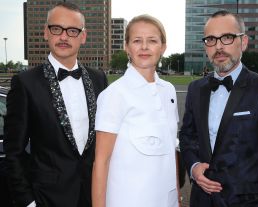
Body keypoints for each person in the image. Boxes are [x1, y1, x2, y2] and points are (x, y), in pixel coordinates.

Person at [179, 10, 258, 207]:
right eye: (211, 39)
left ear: (243, 42)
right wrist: (193, 166)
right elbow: (187, 136)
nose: (218, 46)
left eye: (226, 37)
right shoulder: (195, 89)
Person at [4, 2, 107, 207]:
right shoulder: (25, 83)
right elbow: (13, 151)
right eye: (56, 28)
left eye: (72, 30)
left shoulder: (99, 79)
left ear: (83, 37)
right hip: (46, 198)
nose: (64, 36)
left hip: (92, 196)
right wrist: (28, 201)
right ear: (46, 33)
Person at [92, 14, 180, 207]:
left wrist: (177, 200)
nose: (144, 47)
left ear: (163, 47)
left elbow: (170, 151)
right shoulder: (114, 94)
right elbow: (101, 162)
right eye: (137, 40)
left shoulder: (169, 91)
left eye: (152, 41)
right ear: (126, 47)